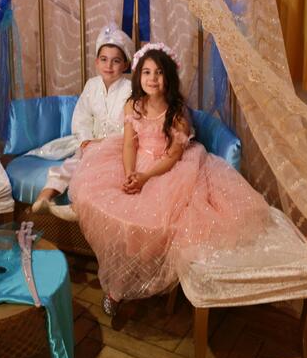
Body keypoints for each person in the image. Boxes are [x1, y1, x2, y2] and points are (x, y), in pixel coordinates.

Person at [69, 42, 271, 316]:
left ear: (169, 77)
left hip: (165, 170)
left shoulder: (176, 114)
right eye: (147, 72)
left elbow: (173, 157)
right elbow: (129, 144)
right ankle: (119, 283)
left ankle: (138, 281)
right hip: (134, 163)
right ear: (138, 76)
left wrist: (145, 177)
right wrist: (130, 173)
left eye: (159, 72)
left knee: (155, 222)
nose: (152, 79)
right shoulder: (132, 105)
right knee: (113, 213)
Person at [32, 23, 134, 216]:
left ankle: (79, 207)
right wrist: (86, 140)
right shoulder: (91, 85)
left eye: (115, 61)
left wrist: (106, 142)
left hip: (116, 146)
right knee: (72, 163)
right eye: (104, 60)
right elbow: (82, 117)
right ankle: (45, 196)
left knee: (97, 171)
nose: (109, 66)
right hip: (90, 143)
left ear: (126, 65)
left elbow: (132, 125)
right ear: (96, 62)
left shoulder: (130, 89)